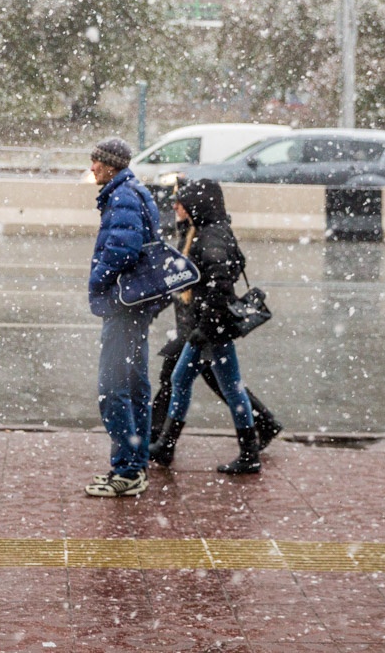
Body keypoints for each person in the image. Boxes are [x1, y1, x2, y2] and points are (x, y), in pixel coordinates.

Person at [151, 184, 283, 452]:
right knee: (216, 382)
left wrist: (206, 324)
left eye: (181, 203)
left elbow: (219, 281)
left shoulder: (209, 235)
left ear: (197, 208)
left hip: (204, 325)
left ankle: (160, 440)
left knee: (178, 379)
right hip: (199, 323)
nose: (175, 207)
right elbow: (183, 278)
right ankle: (260, 430)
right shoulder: (195, 231)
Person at [85, 136, 164, 498]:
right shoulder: (131, 191)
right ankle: (136, 464)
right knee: (134, 385)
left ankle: (128, 469)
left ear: (111, 165)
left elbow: (122, 251)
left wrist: (97, 281)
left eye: (97, 162)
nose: (92, 167)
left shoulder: (122, 197)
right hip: (137, 305)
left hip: (124, 306)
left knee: (112, 388)